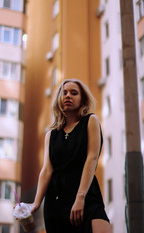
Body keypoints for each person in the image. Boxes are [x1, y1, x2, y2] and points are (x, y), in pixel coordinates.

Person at [27, 79, 111, 233]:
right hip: (56, 202)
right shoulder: (51, 135)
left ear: (82, 100)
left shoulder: (90, 121)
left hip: (86, 194)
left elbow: (92, 158)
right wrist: (35, 204)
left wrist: (80, 197)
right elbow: (47, 171)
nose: (68, 96)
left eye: (74, 93)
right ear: (59, 98)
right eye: (64, 92)